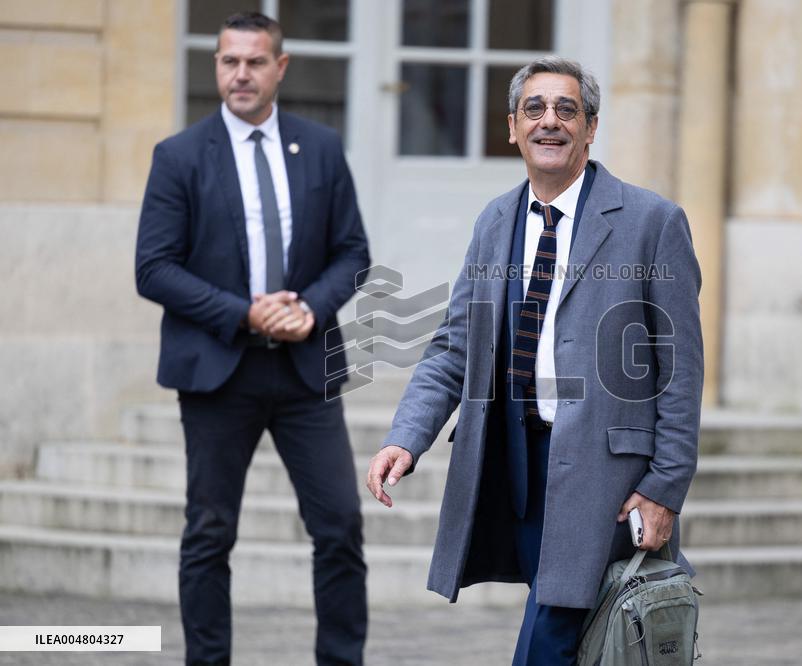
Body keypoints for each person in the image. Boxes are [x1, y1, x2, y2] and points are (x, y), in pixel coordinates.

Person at [366, 56, 703, 665]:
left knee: (548, 639)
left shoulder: (653, 223)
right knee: (573, 637)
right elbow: (455, 344)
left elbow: (679, 370)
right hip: (516, 461)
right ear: (512, 129)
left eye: (567, 110)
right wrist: (406, 437)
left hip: (607, 478)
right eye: (535, 109)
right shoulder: (495, 221)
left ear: (591, 128)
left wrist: (664, 487)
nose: (551, 122)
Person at [135, 12, 369, 666]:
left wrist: (311, 310)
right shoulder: (178, 156)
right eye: (228, 61)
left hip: (304, 372)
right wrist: (246, 314)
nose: (240, 74)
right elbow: (153, 268)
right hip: (218, 374)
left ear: (280, 67)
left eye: (254, 61)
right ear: (216, 65)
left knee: (341, 528)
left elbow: (353, 253)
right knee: (209, 535)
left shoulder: (320, 147)